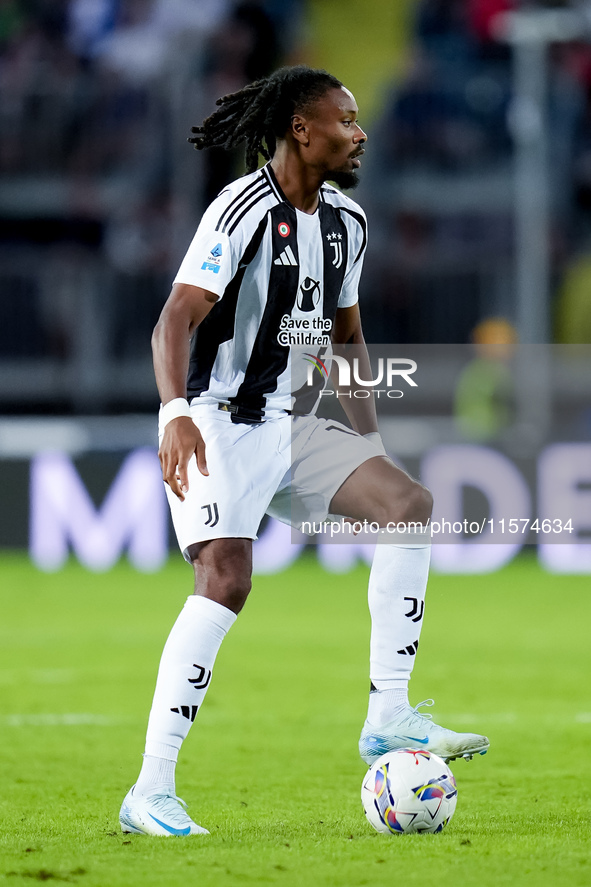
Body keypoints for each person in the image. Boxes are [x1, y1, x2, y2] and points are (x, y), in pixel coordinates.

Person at [119, 65, 489, 837]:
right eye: (345, 120)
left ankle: (387, 715)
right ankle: (150, 789)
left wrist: (367, 443)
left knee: (405, 505)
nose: (359, 133)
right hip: (218, 418)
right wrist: (174, 412)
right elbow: (173, 322)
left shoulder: (347, 223)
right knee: (225, 579)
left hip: (289, 422)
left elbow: (345, 339)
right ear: (300, 128)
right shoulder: (241, 208)